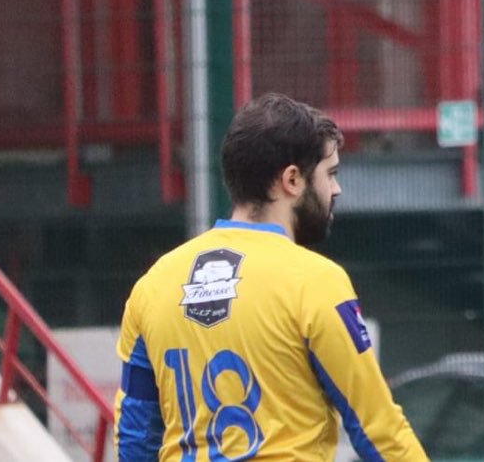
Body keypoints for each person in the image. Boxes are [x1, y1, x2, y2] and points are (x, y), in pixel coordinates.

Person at [114, 93, 428, 461]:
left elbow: (137, 437)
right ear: (292, 180)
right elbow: (378, 430)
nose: (336, 189)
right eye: (330, 173)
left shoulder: (154, 285)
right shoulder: (315, 282)